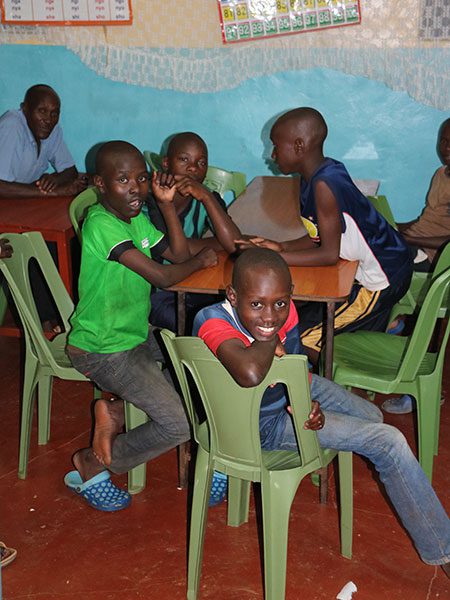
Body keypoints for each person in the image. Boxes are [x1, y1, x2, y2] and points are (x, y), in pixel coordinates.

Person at [193, 247, 450, 577]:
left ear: (290, 295)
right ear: (233, 294)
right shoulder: (212, 319)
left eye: (280, 303)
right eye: (256, 304)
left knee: (373, 417)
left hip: (294, 392)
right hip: (257, 423)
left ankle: (324, 435)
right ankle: (442, 550)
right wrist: (272, 340)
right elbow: (251, 373)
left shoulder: (286, 313)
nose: (269, 315)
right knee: (390, 442)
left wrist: (307, 406)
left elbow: (295, 367)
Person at [65, 141, 217, 511]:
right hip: (103, 350)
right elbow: (166, 277)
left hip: (135, 336)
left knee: (201, 368)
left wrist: (165, 205)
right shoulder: (102, 224)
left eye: (141, 178)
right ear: (99, 184)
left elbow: (178, 254)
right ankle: (98, 460)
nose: (135, 187)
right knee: (180, 423)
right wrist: (201, 263)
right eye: (122, 180)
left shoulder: (136, 218)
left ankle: (113, 406)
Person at [236, 108, 413, 364]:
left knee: (307, 336)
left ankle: (322, 390)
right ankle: (379, 324)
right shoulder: (320, 173)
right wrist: (281, 245)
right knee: (308, 311)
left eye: (275, 146)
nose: (272, 155)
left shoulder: (323, 186)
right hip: (381, 261)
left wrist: (275, 259)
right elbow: (321, 235)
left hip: (381, 279)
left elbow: (328, 255)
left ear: (299, 146)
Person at [145, 132, 241, 331]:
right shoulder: (149, 201)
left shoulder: (205, 198)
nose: (192, 168)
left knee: (237, 315)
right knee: (201, 327)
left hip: (194, 282)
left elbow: (233, 244)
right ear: (165, 163)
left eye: (201, 162)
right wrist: (212, 245)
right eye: (184, 159)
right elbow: (176, 253)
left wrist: (206, 196)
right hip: (155, 293)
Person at [0, 84, 87, 198]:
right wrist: (54, 192)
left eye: (54, 113)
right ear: (25, 109)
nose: (48, 120)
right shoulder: (12, 125)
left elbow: (70, 171)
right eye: (42, 111)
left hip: (22, 200)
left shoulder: (52, 129)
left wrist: (54, 180)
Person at [397, 118, 450, 273]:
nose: (447, 148)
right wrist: (395, 226)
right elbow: (429, 218)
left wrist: (409, 239)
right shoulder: (441, 173)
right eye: (443, 141)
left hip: (430, 257)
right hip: (414, 244)